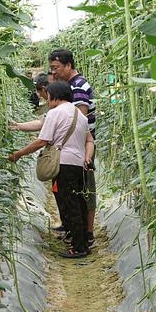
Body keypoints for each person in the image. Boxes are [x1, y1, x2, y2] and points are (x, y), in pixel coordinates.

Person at [8, 81, 94, 258]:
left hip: (63, 163)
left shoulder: (55, 113)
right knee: (78, 202)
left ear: (54, 96)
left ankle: (78, 248)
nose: (47, 100)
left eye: (48, 96)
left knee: (70, 204)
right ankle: (82, 241)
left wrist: (19, 154)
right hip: (77, 164)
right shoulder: (81, 116)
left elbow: (42, 141)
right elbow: (88, 140)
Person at [48, 49, 97, 247]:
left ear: (68, 65)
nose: (54, 72)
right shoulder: (73, 85)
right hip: (80, 147)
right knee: (75, 193)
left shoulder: (77, 87)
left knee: (82, 193)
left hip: (82, 148)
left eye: (56, 68)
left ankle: (86, 235)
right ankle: (78, 232)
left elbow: (77, 119)